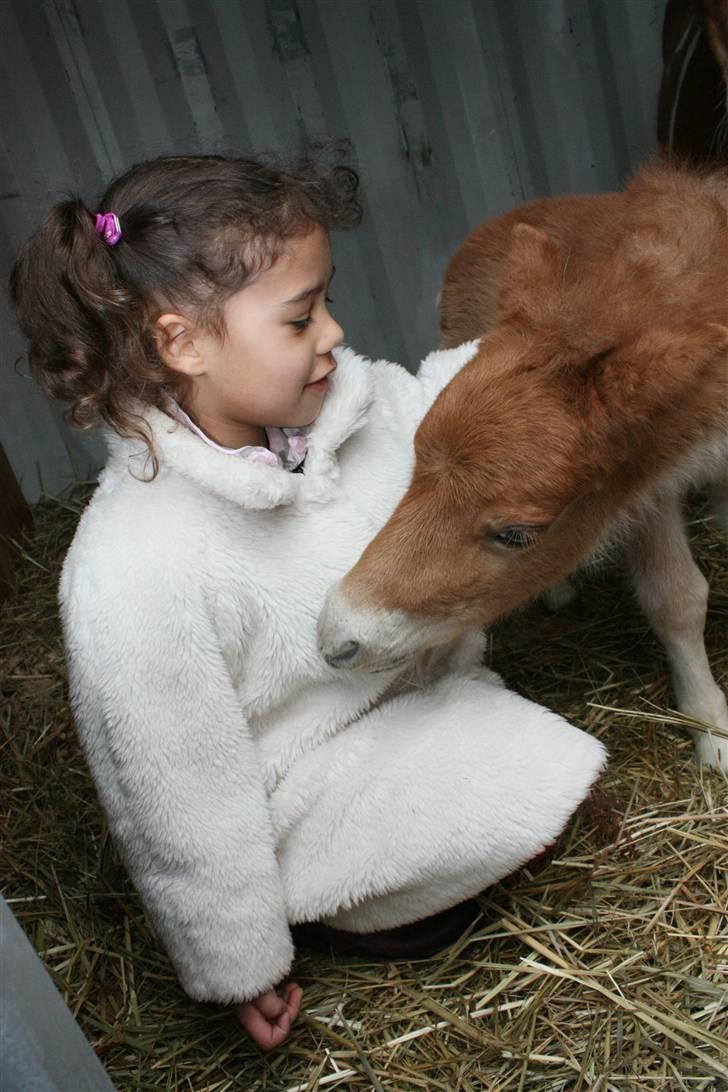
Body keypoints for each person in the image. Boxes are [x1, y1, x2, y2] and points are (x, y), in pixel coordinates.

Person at [10, 152, 606, 1051]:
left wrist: (572, 346)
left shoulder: (346, 411)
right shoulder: (134, 563)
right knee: (533, 782)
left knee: (534, 773)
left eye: (326, 301)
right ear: (184, 343)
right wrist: (241, 963)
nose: (332, 332)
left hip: (418, 709)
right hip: (303, 795)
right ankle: (355, 914)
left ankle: (454, 848)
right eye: (300, 317)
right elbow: (174, 792)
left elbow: (447, 406)